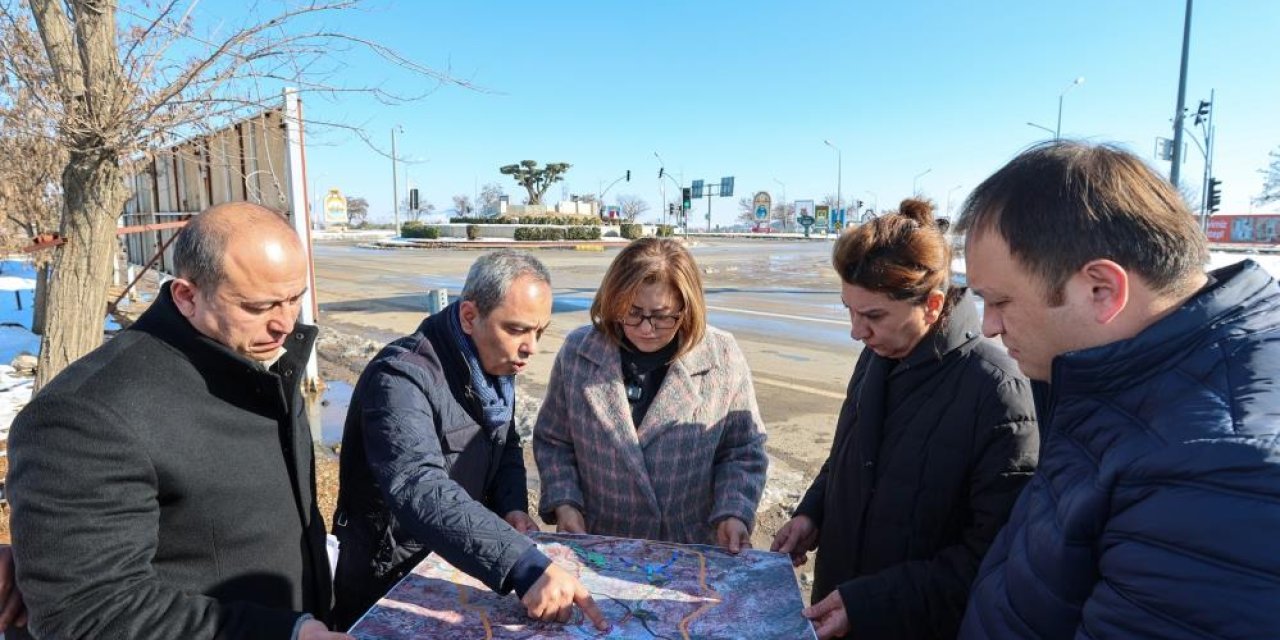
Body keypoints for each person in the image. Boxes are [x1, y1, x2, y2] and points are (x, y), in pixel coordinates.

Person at [957, 142, 1280, 638]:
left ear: (1101, 289)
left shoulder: (1220, 473)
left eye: (999, 301)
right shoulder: (1124, 375)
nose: (989, 328)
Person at [8, 203, 344, 639]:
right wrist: (288, 633)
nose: (285, 323)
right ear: (187, 295)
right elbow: (88, 613)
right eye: (258, 306)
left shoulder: (257, 357)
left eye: (295, 297)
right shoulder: (83, 414)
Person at [773, 199, 1040, 640]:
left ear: (933, 305)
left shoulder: (997, 392)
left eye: (873, 315)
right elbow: (847, 457)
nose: (856, 331)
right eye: (850, 311)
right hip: (837, 610)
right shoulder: (875, 358)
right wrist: (812, 513)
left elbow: (993, 555)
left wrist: (871, 603)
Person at [330, 250, 608, 632]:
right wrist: (521, 565)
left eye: (539, 331)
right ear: (469, 316)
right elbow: (420, 486)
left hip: (455, 564)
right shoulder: (400, 376)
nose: (532, 347)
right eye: (516, 329)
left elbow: (504, 444)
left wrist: (510, 507)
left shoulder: (492, 368)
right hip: (390, 577)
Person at [533, 237, 768, 551]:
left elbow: (742, 449)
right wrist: (566, 504)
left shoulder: (720, 356)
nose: (646, 329)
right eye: (632, 312)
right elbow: (554, 441)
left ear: (687, 307)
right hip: (601, 545)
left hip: (689, 551)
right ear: (612, 301)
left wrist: (733, 512)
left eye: (661, 316)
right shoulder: (579, 353)